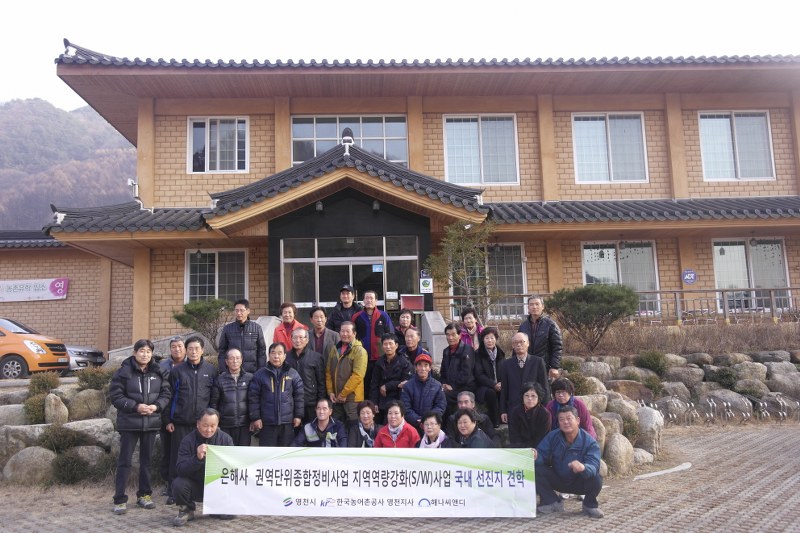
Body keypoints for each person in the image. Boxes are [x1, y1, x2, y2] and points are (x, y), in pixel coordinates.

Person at [109, 339, 171, 515]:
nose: (145, 354)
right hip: (129, 424)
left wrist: (156, 407)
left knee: (147, 462)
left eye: (148, 351)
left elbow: (166, 393)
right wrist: (136, 407)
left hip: (151, 423)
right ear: (134, 353)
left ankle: (144, 495)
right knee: (125, 462)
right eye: (142, 351)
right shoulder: (123, 372)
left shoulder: (159, 371)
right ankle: (119, 499)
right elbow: (116, 396)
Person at [167, 336, 217, 501]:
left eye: (197, 348)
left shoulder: (211, 370)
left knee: (204, 458)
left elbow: (214, 398)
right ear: (186, 351)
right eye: (190, 349)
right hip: (181, 422)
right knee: (178, 457)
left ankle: (205, 492)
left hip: (204, 426)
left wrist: (213, 421)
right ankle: (173, 492)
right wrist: (168, 420)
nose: (194, 352)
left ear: (202, 350)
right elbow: (169, 396)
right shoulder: (177, 371)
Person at [534, 405, 604, 519]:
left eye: (569, 418)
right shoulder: (553, 436)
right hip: (558, 479)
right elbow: (542, 455)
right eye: (561, 419)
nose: (565, 422)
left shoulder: (590, 442)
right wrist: (536, 456)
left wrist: (583, 467)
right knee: (536, 470)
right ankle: (552, 502)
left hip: (579, 482)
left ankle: (589, 505)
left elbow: (594, 465)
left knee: (597, 478)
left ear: (578, 420)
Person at [171, 408, 235, 526]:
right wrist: (197, 458)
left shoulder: (226, 439)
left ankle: (216, 507)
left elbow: (233, 467)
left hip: (217, 485)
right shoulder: (187, 441)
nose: (209, 430)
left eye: (213, 426)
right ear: (198, 424)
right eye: (205, 425)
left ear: (217, 424)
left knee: (229, 515)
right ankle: (186, 510)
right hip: (196, 485)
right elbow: (180, 469)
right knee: (178, 484)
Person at [248, 342, 304, 446]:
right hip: (266, 423)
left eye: (279, 353)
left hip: (287, 422)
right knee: (268, 452)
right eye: (273, 353)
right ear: (269, 355)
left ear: (285, 356)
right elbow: (253, 397)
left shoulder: (293, 374)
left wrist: (298, 416)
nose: (276, 356)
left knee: (286, 452)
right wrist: (256, 417)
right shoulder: (260, 374)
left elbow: (299, 396)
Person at [499, 332, 550, 425]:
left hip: (534, 408)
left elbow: (544, 386)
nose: (519, 345)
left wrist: (545, 408)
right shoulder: (506, 364)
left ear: (528, 343)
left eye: (522, 342)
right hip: (514, 409)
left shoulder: (538, 362)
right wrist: (503, 411)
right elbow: (504, 389)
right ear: (512, 345)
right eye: (515, 342)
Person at [325, 321, 367, 427]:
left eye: (348, 331)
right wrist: (330, 392)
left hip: (352, 399)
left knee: (353, 427)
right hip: (336, 398)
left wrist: (343, 394)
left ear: (354, 333)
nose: (344, 334)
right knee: (336, 427)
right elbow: (328, 372)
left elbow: (358, 376)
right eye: (342, 331)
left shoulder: (360, 351)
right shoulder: (335, 349)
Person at [210, 349, 255, 446]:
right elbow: (214, 403)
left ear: (242, 360)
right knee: (227, 451)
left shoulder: (250, 378)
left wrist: (253, 419)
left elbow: (253, 401)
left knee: (242, 452)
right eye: (232, 358)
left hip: (245, 424)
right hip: (225, 425)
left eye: (238, 358)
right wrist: (215, 422)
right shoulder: (219, 380)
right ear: (226, 361)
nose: (235, 361)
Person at [158, 336, 185, 498]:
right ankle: (168, 482)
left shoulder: (190, 364)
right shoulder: (163, 366)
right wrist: (166, 418)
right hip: (166, 413)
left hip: (184, 415)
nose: (177, 349)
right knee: (167, 451)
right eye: (174, 346)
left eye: (180, 346)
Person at [352, 289, 394, 390]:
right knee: (364, 385)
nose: (369, 300)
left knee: (379, 384)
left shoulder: (383, 316)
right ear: (363, 301)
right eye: (366, 298)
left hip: (380, 358)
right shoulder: (356, 317)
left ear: (376, 301)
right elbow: (352, 336)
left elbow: (391, 334)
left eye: (371, 298)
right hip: (362, 357)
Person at [369, 333, 413, 423]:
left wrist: (388, 385)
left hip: (398, 398)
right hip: (382, 400)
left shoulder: (404, 362)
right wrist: (374, 402)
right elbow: (374, 384)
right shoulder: (379, 363)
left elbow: (406, 382)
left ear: (396, 345)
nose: (388, 347)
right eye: (385, 344)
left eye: (390, 344)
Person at [286, 328, 326, 423]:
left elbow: (321, 382)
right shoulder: (285, 357)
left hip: (310, 403)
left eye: (301, 337)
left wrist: (320, 403)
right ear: (291, 339)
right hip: (290, 402)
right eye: (295, 337)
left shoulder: (316, 357)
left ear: (307, 340)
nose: (297, 340)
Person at [518, 294, 563, 380]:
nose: (534, 307)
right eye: (531, 304)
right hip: (526, 365)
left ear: (542, 306)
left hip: (544, 366)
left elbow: (557, 347)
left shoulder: (551, 325)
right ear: (528, 307)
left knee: (543, 388)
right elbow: (517, 346)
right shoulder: (523, 326)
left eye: (537, 304)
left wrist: (554, 366)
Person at [400, 353, 446, 435]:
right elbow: (405, 407)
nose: (423, 368)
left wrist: (429, 420)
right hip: (412, 427)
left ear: (430, 368)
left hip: (432, 426)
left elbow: (440, 406)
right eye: (420, 365)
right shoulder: (408, 386)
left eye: (426, 365)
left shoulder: (437, 385)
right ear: (415, 367)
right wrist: (418, 420)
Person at [218, 298, 267, 373]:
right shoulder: (228, 329)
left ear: (248, 311)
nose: (239, 313)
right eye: (236, 310)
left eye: (241, 310)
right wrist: (223, 371)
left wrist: (260, 371)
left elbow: (261, 351)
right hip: (232, 372)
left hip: (252, 372)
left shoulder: (256, 328)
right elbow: (222, 351)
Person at [440, 322, 476, 417]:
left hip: (465, 387)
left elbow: (466, 373)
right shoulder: (446, 351)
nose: (450, 337)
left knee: (444, 397)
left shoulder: (467, 349)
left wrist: (453, 386)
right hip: (449, 386)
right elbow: (443, 371)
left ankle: (448, 423)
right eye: (448, 335)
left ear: (459, 335)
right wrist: (443, 384)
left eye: (453, 334)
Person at [473, 326, 505, 427]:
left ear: (496, 339)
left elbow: (505, 371)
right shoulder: (478, 354)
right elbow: (479, 375)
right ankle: (495, 421)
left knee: (507, 390)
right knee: (491, 393)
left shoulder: (501, 353)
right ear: (483, 339)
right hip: (483, 386)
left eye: (492, 338)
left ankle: (505, 416)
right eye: (486, 338)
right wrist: (493, 384)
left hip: (499, 384)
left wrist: (501, 383)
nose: (489, 340)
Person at [508, 382, 552, 448]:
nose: (530, 398)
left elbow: (543, 438)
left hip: (538, 448)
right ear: (522, 397)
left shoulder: (545, 414)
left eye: (533, 396)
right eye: (526, 395)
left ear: (538, 398)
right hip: (519, 448)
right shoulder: (515, 412)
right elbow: (513, 436)